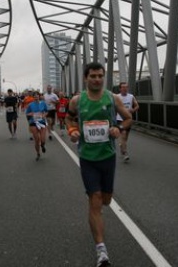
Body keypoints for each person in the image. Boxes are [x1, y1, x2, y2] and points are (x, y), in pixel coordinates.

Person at [65, 62, 132, 267]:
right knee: (94, 199)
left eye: (100, 76)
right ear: (86, 78)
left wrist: (118, 128)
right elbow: (68, 118)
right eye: (92, 76)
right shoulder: (77, 100)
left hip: (108, 156)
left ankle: (99, 218)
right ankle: (101, 251)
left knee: (106, 200)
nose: (96, 79)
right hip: (87, 158)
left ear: (104, 77)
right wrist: (72, 131)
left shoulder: (113, 98)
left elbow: (128, 118)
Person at [115, 82, 139, 163]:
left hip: (128, 119)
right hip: (119, 119)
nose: (125, 89)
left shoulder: (131, 96)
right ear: (120, 88)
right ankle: (125, 153)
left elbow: (137, 106)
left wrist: (133, 110)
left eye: (126, 87)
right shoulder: (117, 97)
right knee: (123, 134)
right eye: (123, 87)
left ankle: (122, 145)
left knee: (125, 138)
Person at [25, 91, 48, 161]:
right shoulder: (30, 105)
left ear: (39, 96)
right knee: (37, 140)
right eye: (34, 96)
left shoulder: (43, 103)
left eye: (37, 95)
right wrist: (31, 114)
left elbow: (47, 111)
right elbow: (27, 114)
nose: (36, 97)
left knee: (43, 139)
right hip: (33, 122)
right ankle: (38, 153)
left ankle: (43, 145)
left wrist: (44, 115)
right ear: (33, 97)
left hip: (41, 122)